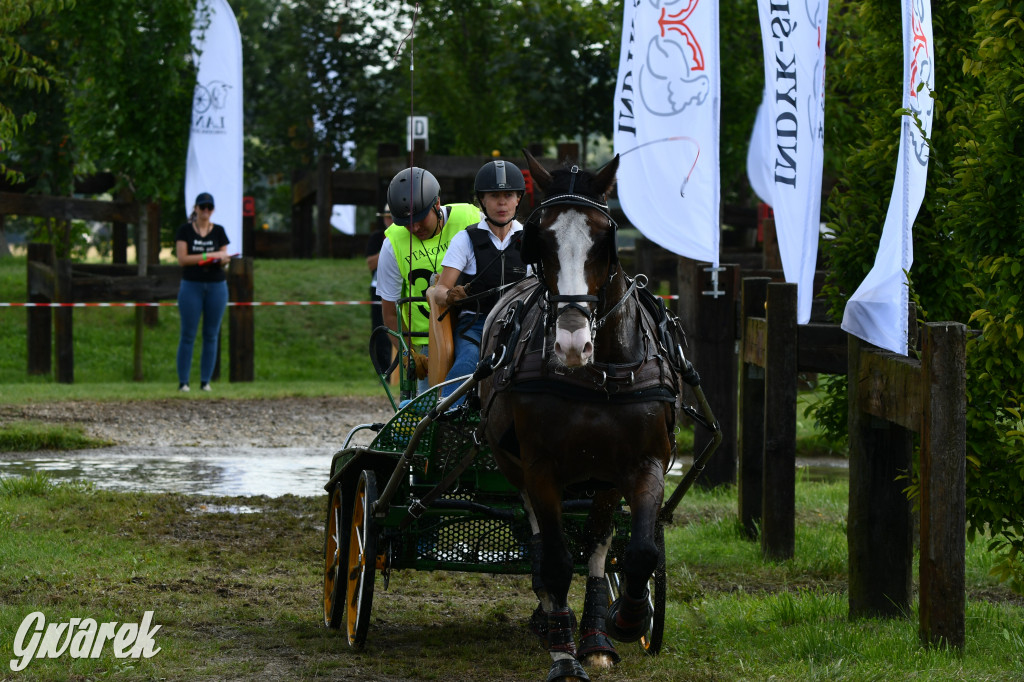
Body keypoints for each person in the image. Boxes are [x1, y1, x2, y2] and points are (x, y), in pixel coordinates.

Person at [375, 167, 480, 395]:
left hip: (474, 328)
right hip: (427, 343)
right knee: (430, 407)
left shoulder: (472, 218)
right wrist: (408, 353)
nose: (414, 228)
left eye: (420, 218)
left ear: (437, 203)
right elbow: (390, 313)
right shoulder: (392, 243)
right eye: (406, 223)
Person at [430, 160, 529, 401]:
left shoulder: (531, 240)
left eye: (508, 195)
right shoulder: (465, 239)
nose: (502, 203)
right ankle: (447, 411)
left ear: (518, 199)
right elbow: (439, 290)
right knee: (468, 361)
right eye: (494, 196)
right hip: (476, 326)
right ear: (482, 200)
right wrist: (451, 296)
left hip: (521, 324)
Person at [175, 192, 231, 392]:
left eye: (209, 207)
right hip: (192, 284)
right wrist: (209, 255)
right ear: (196, 208)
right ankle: (183, 382)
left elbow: (224, 255)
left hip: (216, 285)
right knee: (188, 334)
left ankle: (205, 381)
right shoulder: (185, 231)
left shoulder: (219, 231)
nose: (206, 211)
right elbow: (183, 259)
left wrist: (222, 259)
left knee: (211, 334)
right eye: (202, 207)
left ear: (212, 210)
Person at [365, 204, 393, 374]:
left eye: (391, 217)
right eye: (386, 217)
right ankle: (384, 371)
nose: (389, 221)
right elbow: (370, 264)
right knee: (380, 330)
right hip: (378, 289)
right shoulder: (377, 238)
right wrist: (390, 245)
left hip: (399, 287)